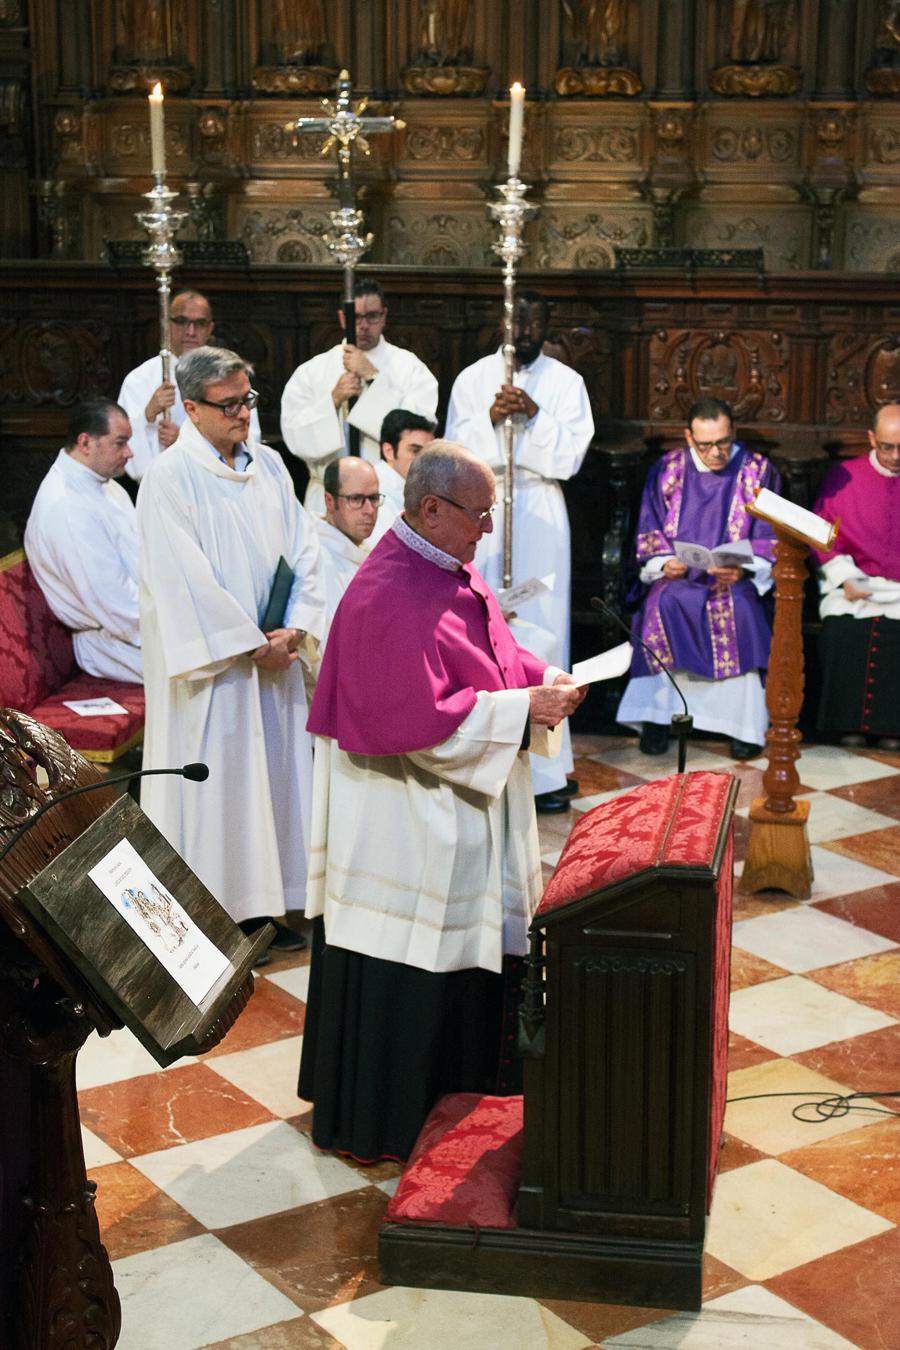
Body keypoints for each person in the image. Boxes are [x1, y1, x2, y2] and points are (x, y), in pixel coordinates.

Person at [298, 441, 585, 1163]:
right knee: (416, 959)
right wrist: (525, 710)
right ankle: (400, 1122)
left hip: (447, 811)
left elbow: (488, 650)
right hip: (404, 822)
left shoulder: (440, 566)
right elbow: (424, 723)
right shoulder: (387, 592)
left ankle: (467, 1102)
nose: (486, 530)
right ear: (431, 508)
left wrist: (540, 678)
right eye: (479, 515)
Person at [137, 346, 324, 953]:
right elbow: (183, 582)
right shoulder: (169, 479)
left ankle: (274, 906)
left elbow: (306, 553)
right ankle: (220, 916)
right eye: (229, 405)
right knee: (222, 789)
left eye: (248, 399)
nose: (244, 413)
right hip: (216, 674)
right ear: (190, 409)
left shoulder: (269, 467)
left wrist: (293, 629)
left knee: (274, 780)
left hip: (276, 659)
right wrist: (250, 645)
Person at [444, 291, 594, 811]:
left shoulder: (566, 382)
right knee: (482, 626)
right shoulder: (472, 378)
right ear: (501, 319)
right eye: (517, 318)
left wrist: (534, 415)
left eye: (535, 318)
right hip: (483, 504)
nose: (525, 327)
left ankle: (549, 770)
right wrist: (489, 417)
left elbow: (572, 455)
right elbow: (454, 452)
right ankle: (490, 753)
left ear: (548, 322)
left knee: (542, 629)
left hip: (539, 505)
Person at [617, 397, 780, 760]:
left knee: (740, 608)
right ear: (689, 437)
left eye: (723, 442)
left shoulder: (758, 470)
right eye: (706, 444)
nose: (716, 452)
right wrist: (663, 563)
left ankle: (741, 726)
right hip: (679, 577)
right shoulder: (668, 469)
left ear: (733, 432)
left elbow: (770, 534)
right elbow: (650, 527)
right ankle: (659, 718)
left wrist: (743, 567)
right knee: (663, 601)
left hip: (734, 579)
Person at [279, 278, 439, 513]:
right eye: (356, 317)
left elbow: (419, 431)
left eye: (372, 316)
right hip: (329, 496)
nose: (364, 325)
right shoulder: (312, 371)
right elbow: (295, 436)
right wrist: (333, 400)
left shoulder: (410, 368)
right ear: (343, 318)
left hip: (387, 496)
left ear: (384, 316)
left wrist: (374, 379)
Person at [24, 398, 142, 682]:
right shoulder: (66, 505)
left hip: (138, 623)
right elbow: (115, 605)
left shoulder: (108, 486)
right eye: (120, 443)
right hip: (115, 642)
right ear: (86, 442)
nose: (129, 453)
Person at [812, 402, 900, 750]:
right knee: (843, 628)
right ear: (871, 439)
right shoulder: (844, 476)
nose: (894, 456)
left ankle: (893, 727)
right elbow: (821, 533)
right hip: (856, 584)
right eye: (887, 446)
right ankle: (846, 725)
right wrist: (845, 577)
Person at [117, 289, 261, 482]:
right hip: (164, 485)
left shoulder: (230, 376)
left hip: (221, 483)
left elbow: (250, 438)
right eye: (182, 322)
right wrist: (148, 415)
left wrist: (186, 441)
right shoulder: (140, 379)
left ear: (210, 328)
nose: (190, 332)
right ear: (167, 324)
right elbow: (122, 447)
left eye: (199, 324)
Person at [315, 456, 382, 638]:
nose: (369, 510)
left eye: (374, 498)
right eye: (356, 499)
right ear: (330, 501)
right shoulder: (317, 557)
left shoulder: (371, 551)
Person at [370, 408, 437, 543]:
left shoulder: (417, 487)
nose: (424, 460)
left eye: (429, 452)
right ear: (389, 451)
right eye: (415, 451)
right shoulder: (373, 489)